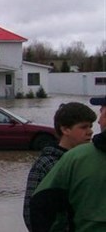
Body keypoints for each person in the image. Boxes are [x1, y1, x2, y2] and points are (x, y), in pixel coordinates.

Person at [30, 96, 106, 232]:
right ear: (65, 130)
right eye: (83, 127)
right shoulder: (47, 163)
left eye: (90, 126)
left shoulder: (88, 157)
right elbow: (34, 209)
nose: (90, 131)